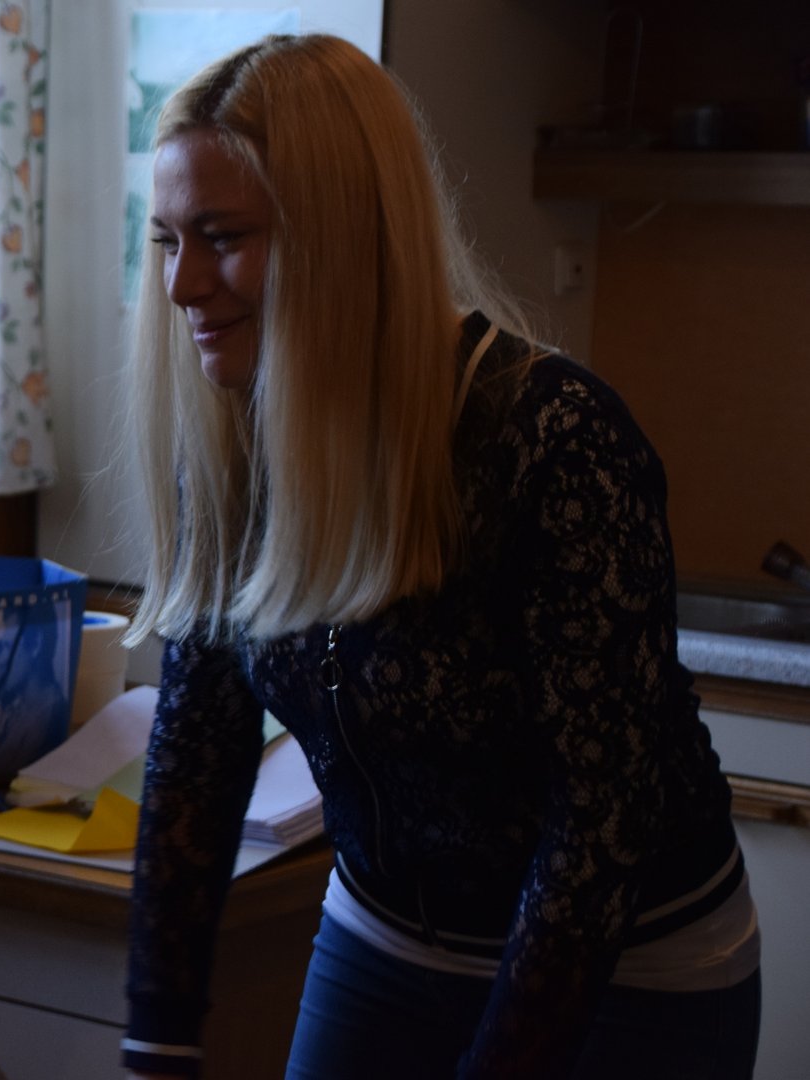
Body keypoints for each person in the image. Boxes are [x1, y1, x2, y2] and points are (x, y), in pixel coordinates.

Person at [120, 34, 760, 1080]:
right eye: (166, 240)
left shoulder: (551, 439)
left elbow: (598, 824)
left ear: (341, 238)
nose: (183, 282)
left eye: (223, 238)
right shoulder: (235, 444)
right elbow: (199, 746)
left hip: (631, 967)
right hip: (385, 938)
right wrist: (156, 1038)